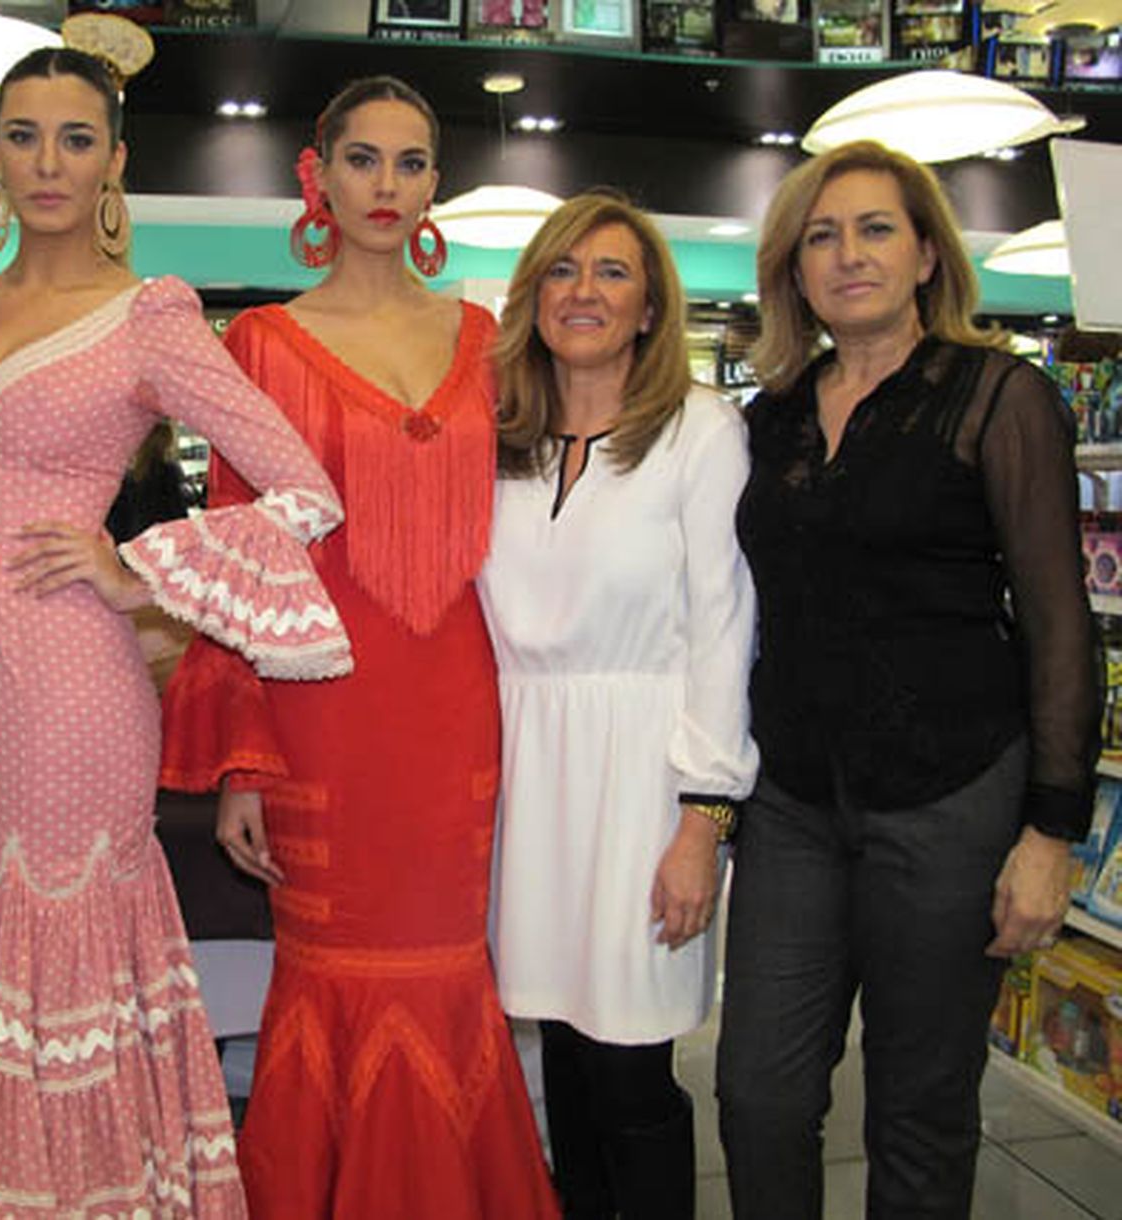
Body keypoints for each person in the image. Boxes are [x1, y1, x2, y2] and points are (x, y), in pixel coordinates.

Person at [0, 17, 350, 1219]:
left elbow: (303, 487)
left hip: (73, 694)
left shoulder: (149, 314)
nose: (48, 161)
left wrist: (140, 572)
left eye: (75, 139)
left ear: (114, 160)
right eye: (23, 137)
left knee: (61, 944)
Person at [160, 76, 560, 1219]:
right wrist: (240, 758)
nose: (387, 185)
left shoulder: (491, 341)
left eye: (412, 161)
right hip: (318, 718)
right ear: (318, 174)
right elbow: (241, 556)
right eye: (364, 160)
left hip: (459, 708)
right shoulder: (262, 343)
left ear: (436, 182)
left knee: (451, 965)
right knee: (331, 970)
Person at [716, 139, 1098, 1219]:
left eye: (875, 228)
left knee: (919, 1108)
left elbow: (1058, 617)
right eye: (820, 237)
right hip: (792, 795)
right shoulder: (771, 415)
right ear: (793, 271)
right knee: (756, 1092)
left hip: (951, 796)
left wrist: (1049, 832)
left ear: (927, 253)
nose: (848, 255)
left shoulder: (997, 396)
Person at [478, 191, 758, 1219]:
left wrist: (703, 816)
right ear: (533, 294)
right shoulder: (498, 436)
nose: (582, 290)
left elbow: (723, 628)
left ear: (649, 308)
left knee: (631, 1063)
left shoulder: (698, 429)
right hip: (526, 775)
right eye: (561, 269)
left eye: (610, 272)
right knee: (556, 1048)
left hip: (643, 776)